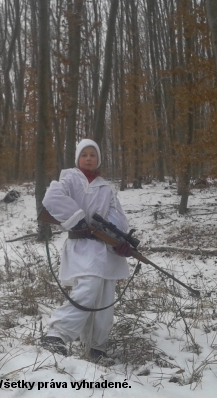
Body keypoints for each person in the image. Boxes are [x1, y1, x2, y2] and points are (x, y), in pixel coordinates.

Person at [41, 139, 132, 363]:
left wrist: (120, 240)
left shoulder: (106, 187)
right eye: (84, 155)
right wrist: (77, 220)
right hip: (82, 246)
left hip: (105, 250)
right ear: (78, 159)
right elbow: (52, 199)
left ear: (98, 159)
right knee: (87, 289)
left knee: (103, 299)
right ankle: (56, 335)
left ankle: (95, 348)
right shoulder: (69, 178)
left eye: (93, 154)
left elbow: (116, 217)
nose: (89, 158)